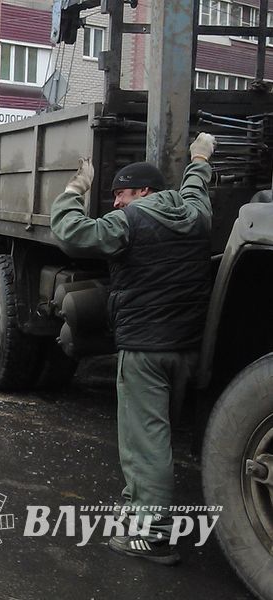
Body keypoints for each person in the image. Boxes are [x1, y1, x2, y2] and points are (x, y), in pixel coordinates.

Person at [49, 132, 217, 565]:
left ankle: (149, 535)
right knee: (159, 438)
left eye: (121, 194)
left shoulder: (130, 222)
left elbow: (71, 233)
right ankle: (139, 509)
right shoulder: (196, 214)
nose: (116, 202)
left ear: (143, 192)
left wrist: (74, 190)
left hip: (144, 349)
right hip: (186, 349)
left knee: (147, 443)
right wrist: (200, 156)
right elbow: (196, 186)